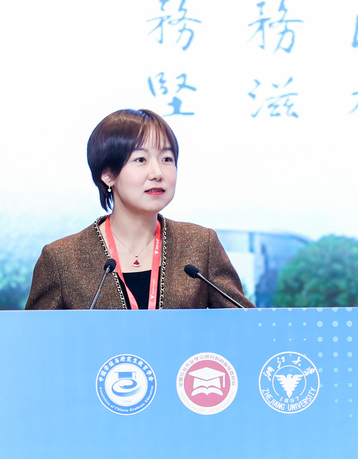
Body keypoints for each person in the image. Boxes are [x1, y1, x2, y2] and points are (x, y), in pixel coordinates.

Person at [25, 109, 254, 310]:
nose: (157, 173)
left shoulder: (201, 245)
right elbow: (37, 339)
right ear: (108, 174)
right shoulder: (62, 259)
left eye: (167, 159)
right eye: (141, 160)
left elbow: (248, 326)